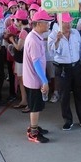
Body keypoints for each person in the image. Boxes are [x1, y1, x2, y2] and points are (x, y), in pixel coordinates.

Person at [48, 12, 81, 131]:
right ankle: (68, 120)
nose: (68, 24)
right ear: (59, 22)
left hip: (76, 66)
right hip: (62, 68)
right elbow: (51, 53)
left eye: (69, 22)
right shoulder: (53, 35)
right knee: (64, 96)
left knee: (80, 95)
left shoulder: (76, 33)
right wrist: (57, 40)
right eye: (65, 22)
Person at [22, 9, 54, 143]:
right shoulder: (34, 40)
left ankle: (34, 127)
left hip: (33, 78)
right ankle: (33, 132)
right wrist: (44, 81)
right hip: (35, 80)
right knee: (35, 106)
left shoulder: (35, 37)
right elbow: (36, 63)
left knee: (37, 105)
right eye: (46, 23)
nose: (48, 25)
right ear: (39, 24)